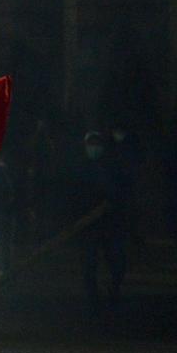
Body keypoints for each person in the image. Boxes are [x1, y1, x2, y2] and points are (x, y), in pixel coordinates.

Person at [74, 131, 126, 318]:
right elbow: (75, 196)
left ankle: (113, 291)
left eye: (96, 143)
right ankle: (92, 299)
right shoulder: (81, 168)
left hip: (109, 224)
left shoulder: (112, 167)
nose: (93, 147)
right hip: (88, 226)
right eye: (90, 143)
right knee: (89, 264)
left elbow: (121, 194)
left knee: (116, 262)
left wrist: (111, 206)